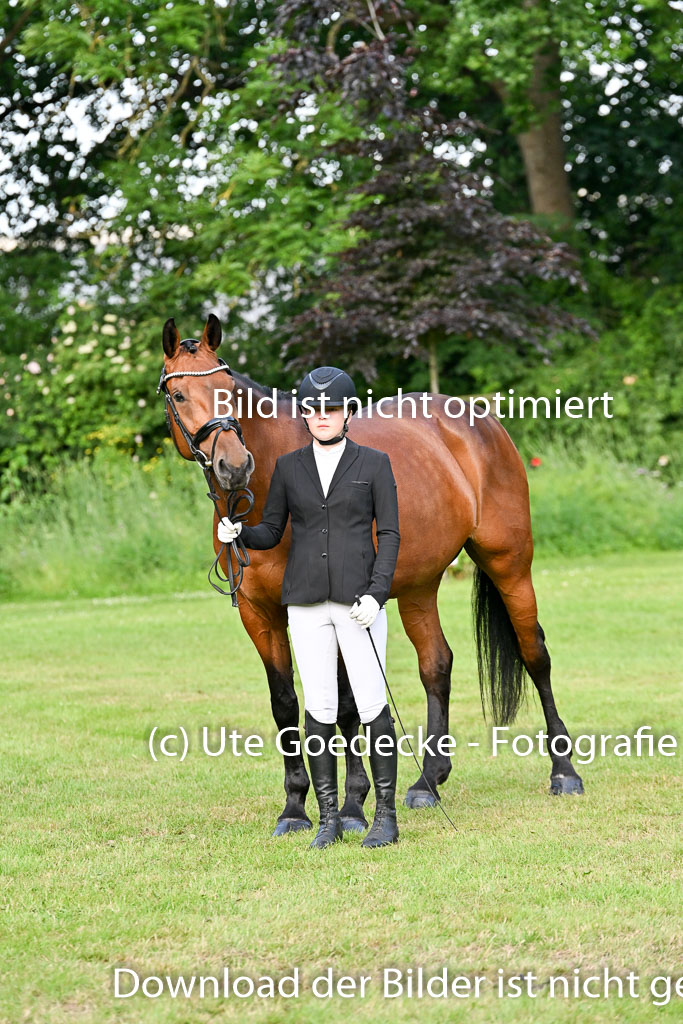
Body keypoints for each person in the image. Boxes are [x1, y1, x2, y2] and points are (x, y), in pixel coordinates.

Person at [217, 366, 401, 849]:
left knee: (371, 704)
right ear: (305, 415)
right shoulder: (289, 467)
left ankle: (385, 815)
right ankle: (327, 819)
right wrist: (240, 533)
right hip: (305, 603)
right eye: (314, 410)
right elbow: (272, 531)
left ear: (348, 414)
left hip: (358, 602)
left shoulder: (375, 463)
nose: (322, 416)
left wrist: (377, 593)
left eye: (331, 409)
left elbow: (389, 534)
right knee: (318, 707)